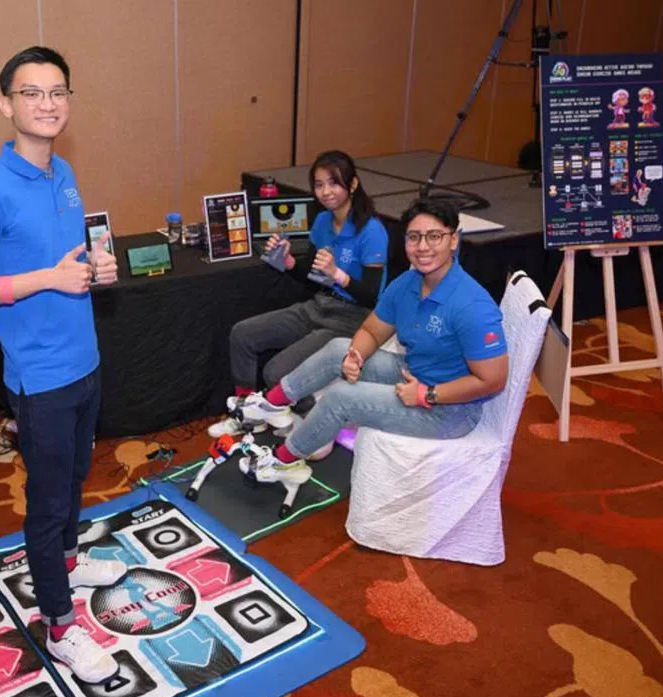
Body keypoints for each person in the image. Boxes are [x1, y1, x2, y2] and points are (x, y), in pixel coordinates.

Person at [0, 46, 125, 684]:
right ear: (6, 105)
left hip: (85, 359)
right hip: (40, 377)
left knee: (77, 474)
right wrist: (45, 279)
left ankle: (70, 561)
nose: (47, 104)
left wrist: (93, 268)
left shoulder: (63, 172)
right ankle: (58, 622)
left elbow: (66, 258)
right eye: (32, 93)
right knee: (47, 506)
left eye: (57, 92)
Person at [235, 197, 509, 484]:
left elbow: (492, 380)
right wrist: (356, 356)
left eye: (434, 236)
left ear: (453, 240)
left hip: (448, 410)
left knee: (340, 398)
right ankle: (271, 404)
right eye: (414, 237)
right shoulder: (409, 282)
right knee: (339, 349)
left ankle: (283, 462)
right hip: (414, 372)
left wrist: (427, 394)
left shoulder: (472, 305)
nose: (423, 247)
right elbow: (372, 331)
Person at [209, 150, 389, 438]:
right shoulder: (323, 221)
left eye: (334, 183)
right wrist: (288, 261)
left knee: (275, 372)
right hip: (319, 305)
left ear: (353, 184)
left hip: (351, 319)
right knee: (242, 334)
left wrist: (337, 274)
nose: (326, 191)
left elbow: (371, 296)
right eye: (319, 185)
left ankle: (310, 415)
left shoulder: (372, 231)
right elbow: (313, 275)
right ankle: (248, 415)